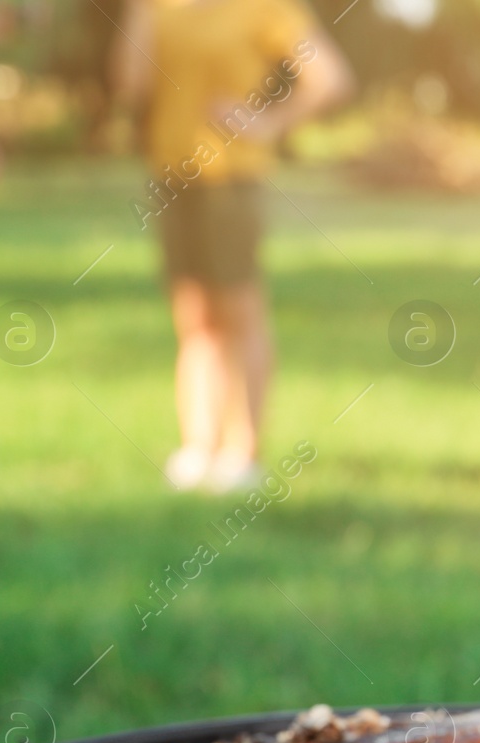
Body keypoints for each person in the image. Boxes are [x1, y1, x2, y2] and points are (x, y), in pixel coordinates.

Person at [115, 0, 353, 492]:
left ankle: (242, 451)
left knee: (238, 309)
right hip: (172, 176)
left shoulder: (262, 7)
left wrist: (266, 121)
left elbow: (330, 77)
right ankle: (199, 446)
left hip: (233, 179)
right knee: (194, 315)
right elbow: (131, 87)